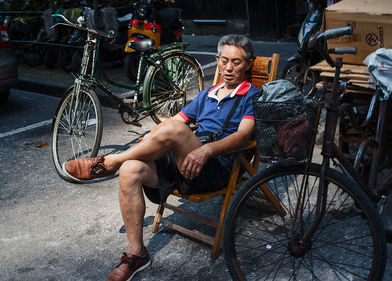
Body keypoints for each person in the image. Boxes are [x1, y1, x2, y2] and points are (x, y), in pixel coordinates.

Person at [63, 34, 259, 281]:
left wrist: (206, 150)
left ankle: (111, 161)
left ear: (248, 64)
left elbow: (242, 136)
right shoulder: (208, 93)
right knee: (131, 169)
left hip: (214, 168)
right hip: (184, 162)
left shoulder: (252, 96)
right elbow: (174, 121)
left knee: (176, 130)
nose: (229, 68)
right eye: (225, 61)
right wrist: (144, 142)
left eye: (237, 62)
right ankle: (137, 254)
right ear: (217, 60)